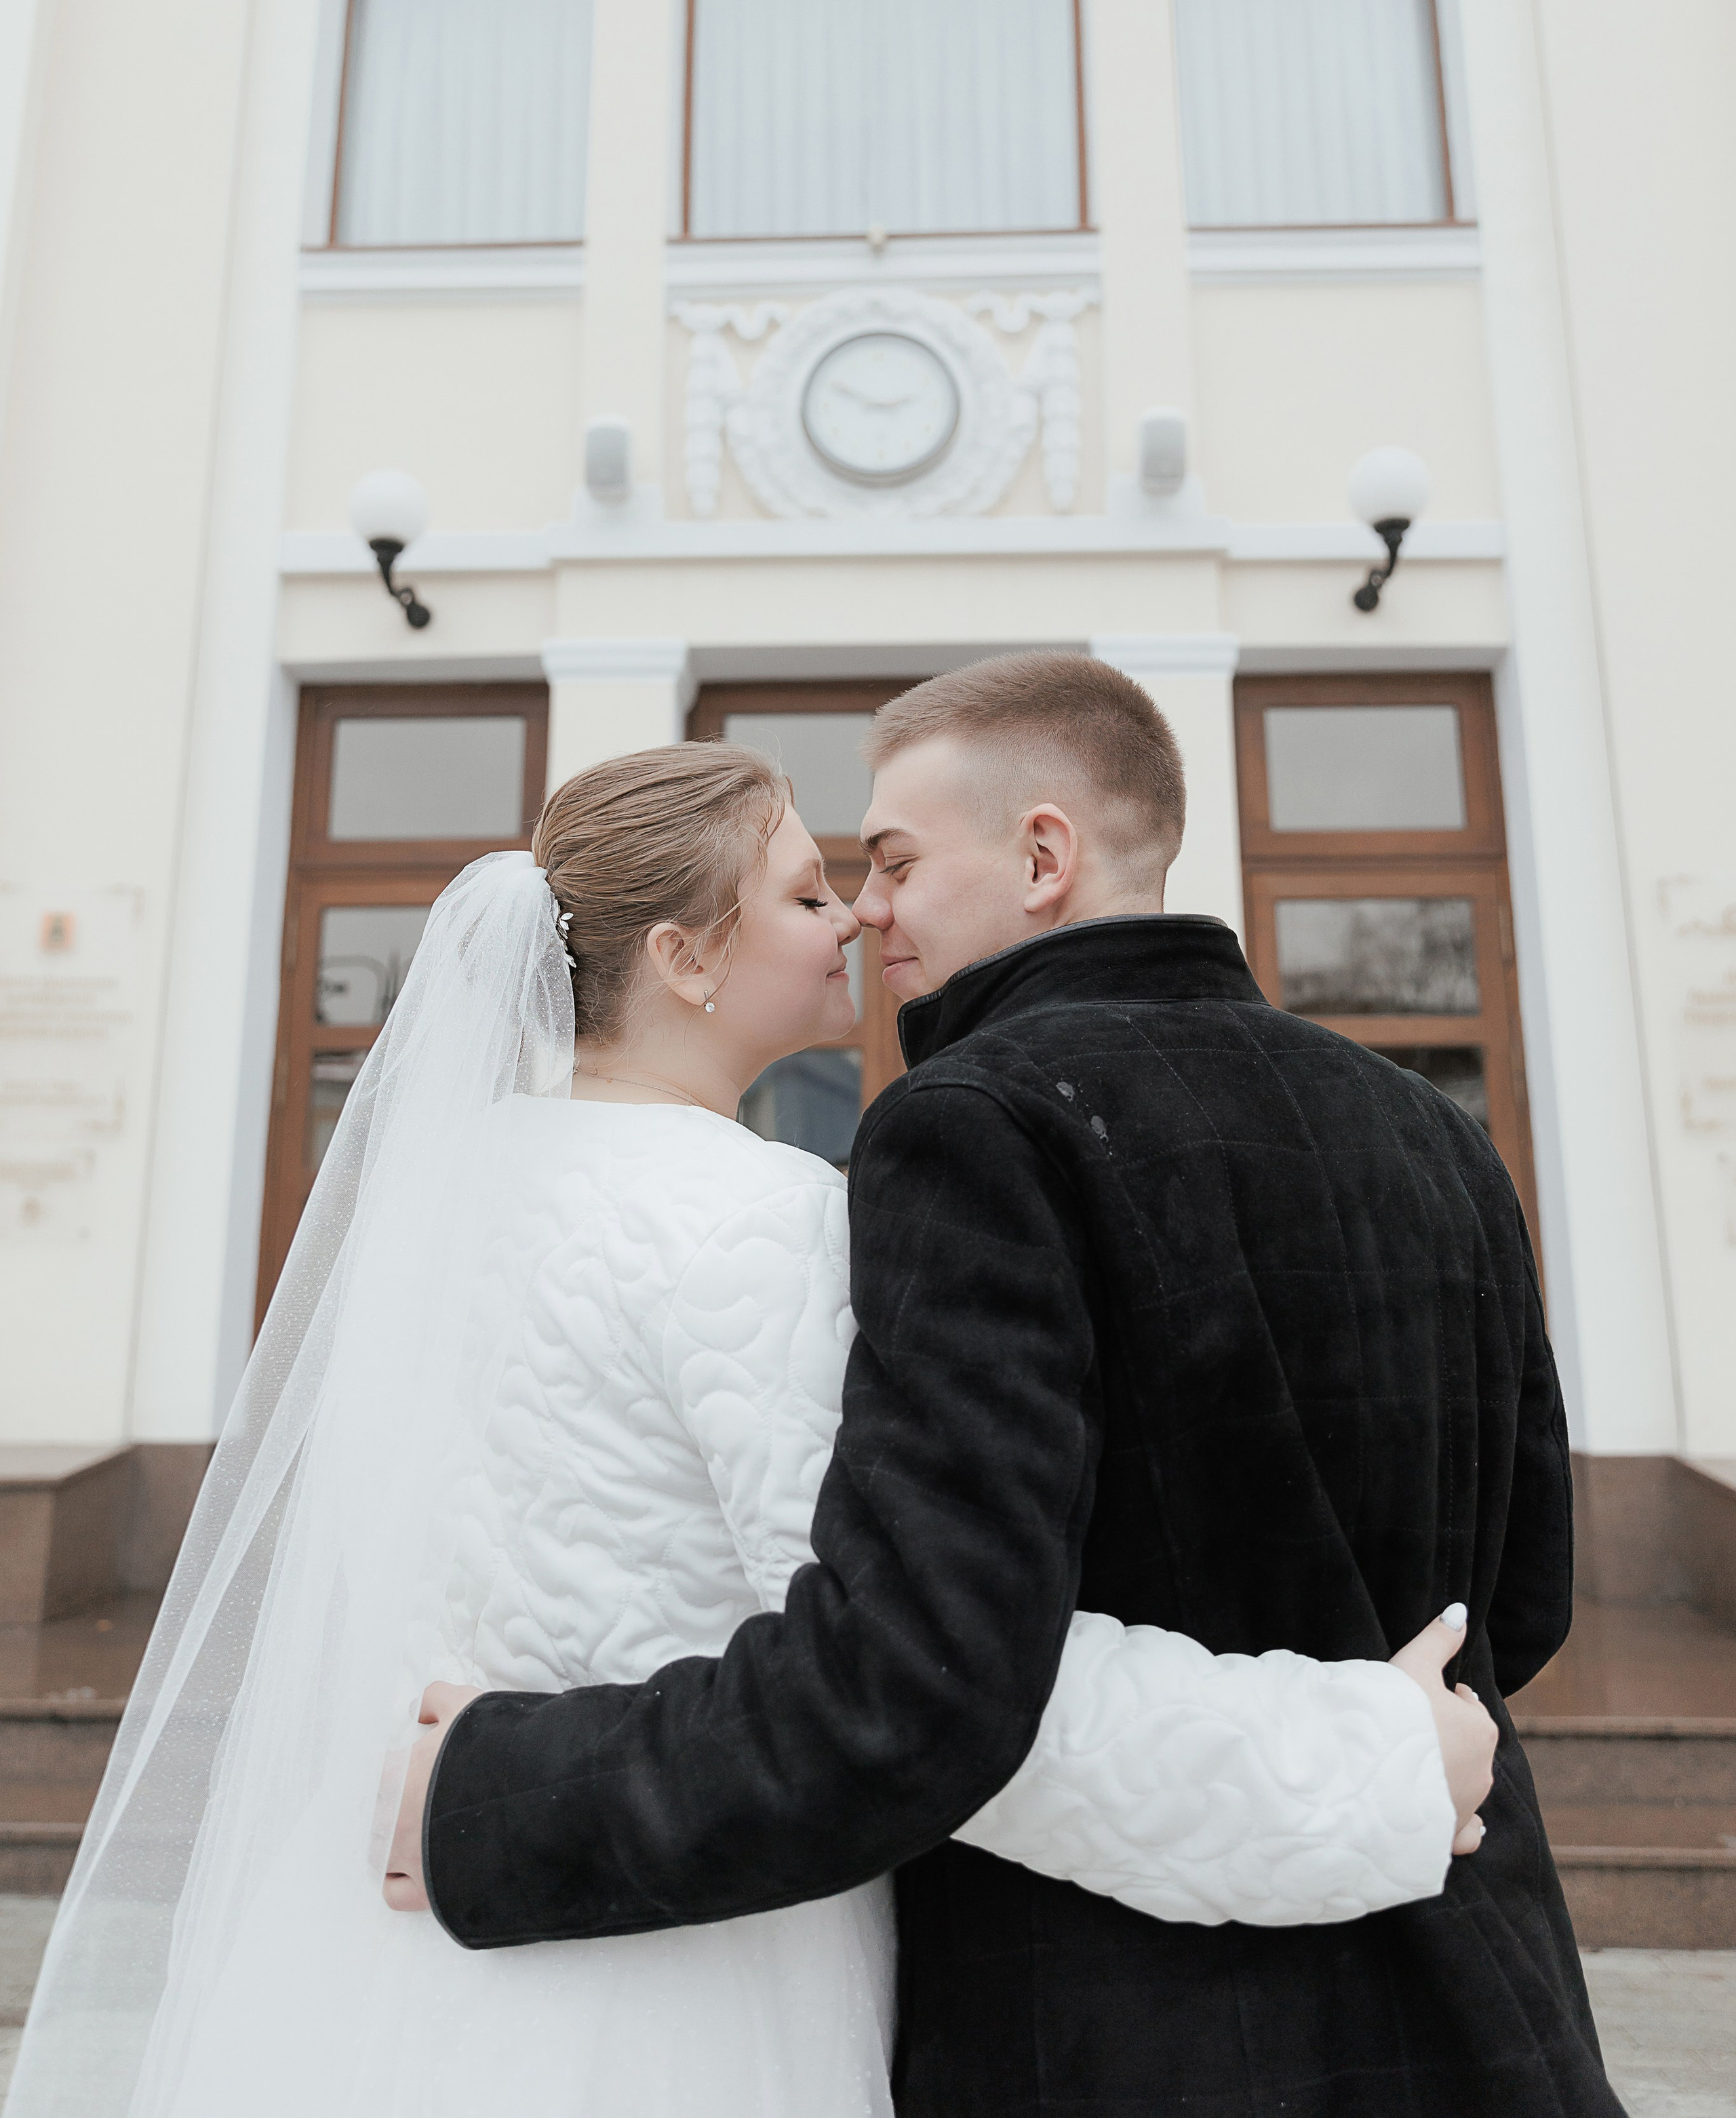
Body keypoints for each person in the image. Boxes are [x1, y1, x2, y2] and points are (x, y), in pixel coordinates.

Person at [12, 735, 1487, 2118]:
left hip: (386, 1939)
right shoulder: (759, 1223)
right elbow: (912, 1687)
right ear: (684, 958)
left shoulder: (444, 1207)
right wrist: (1361, 1765)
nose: (851, 917)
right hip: (669, 1965)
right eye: (802, 892)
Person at [397, 655, 1621, 2118]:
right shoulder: (1438, 1132)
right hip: (1482, 1988)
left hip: (1119, 2022)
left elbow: (920, 1675)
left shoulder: (971, 1126)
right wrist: (1387, 1724)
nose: (869, 908)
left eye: (894, 861)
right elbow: (1524, 1597)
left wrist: (496, 1796)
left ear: (1042, 855)